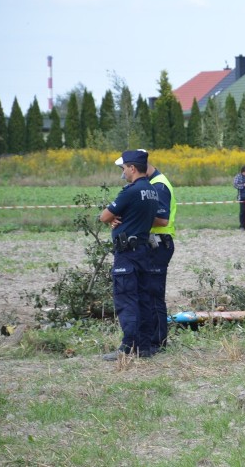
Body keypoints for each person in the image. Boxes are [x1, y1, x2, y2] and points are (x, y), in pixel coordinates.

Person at [100, 150, 159, 360]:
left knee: (127, 300)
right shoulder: (152, 190)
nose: (123, 171)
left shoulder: (130, 191)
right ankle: (145, 347)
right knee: (144, 299)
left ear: (132, 168)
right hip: (143, 251)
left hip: (127, 254)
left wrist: (112, 218)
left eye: (124, 167)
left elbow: (104, 216)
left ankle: (127, 347)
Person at [144, 159, 176, 353]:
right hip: (155, 242)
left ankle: (158, 342)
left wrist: (135, 214)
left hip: (159, 243)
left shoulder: (159, 185)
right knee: (150, 292)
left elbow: (162, 220)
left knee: (155, 294)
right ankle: (152, 338)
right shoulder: (152, 184)